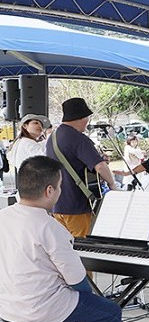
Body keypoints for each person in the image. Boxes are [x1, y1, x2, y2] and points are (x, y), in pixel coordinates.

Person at [0, 156, 125, 322]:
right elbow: (77, 279)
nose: (60, 191)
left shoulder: (3, 216)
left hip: (8, 307)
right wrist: (91, 303)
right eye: (60, 187)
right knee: (109, 313)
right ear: (49, 191)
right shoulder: (49, 227)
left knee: (61, 298)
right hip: (42, 308)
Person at [46, 98, 118, 238]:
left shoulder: (53, 137)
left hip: (57, 204)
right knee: (84, 247)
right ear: (82, 117)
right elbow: (100, 166)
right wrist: (112, 184)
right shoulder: (78, 138)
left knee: (65, 246)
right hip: (77, 206)